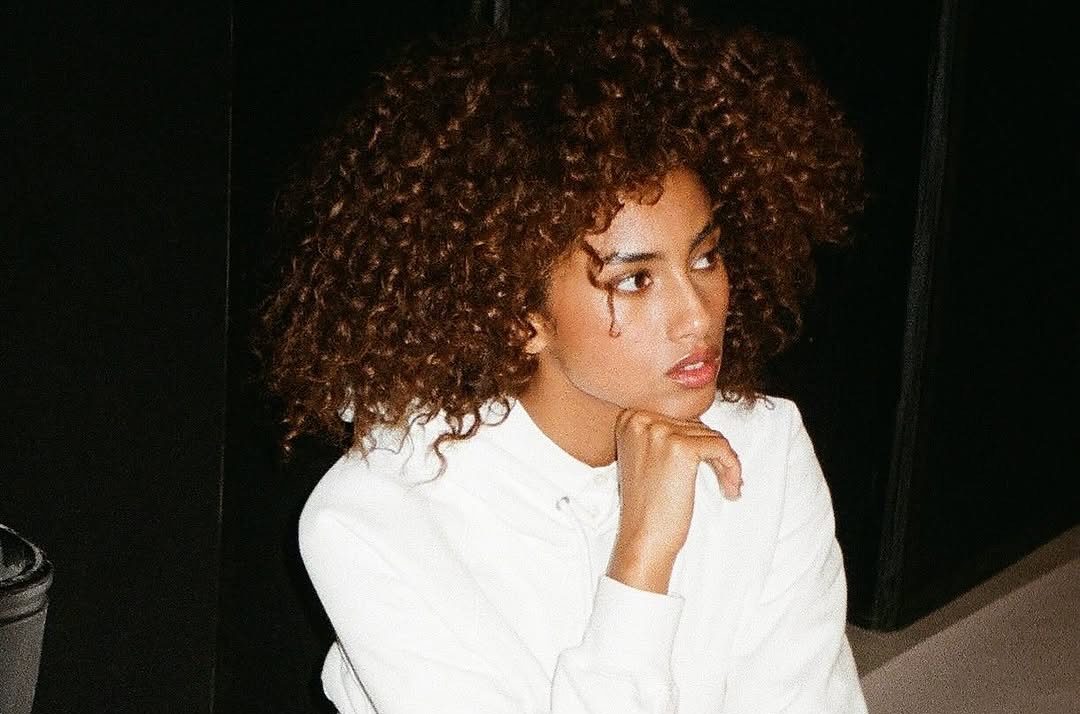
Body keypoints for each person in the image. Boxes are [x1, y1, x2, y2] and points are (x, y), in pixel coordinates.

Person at [261, 2, 866, 711]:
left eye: (705, 257)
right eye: (635, 281)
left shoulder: (763, 449)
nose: (698, 315)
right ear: (520, 318)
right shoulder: (378, 518)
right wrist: (642, 562)